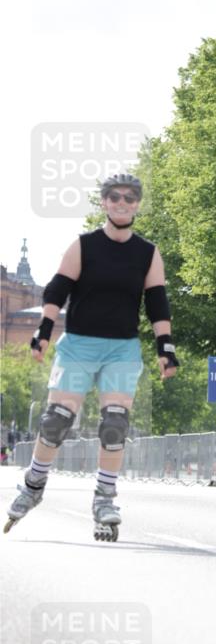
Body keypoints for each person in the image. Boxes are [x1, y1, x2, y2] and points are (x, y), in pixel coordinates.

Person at [5, 174, 179, 540]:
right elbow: (58, 288)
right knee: (56, 420)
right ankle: (33, 485)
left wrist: (166, 349)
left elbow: (157, 302)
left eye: (130, 198)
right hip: (80, 343)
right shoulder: (84, 245)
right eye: (115, 196)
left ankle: (104, 499)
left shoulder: (147, 252)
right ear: (104, 202)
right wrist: (43, 331)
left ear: (137, 204)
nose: (122, 202)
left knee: (115, 424)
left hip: (122, 348)